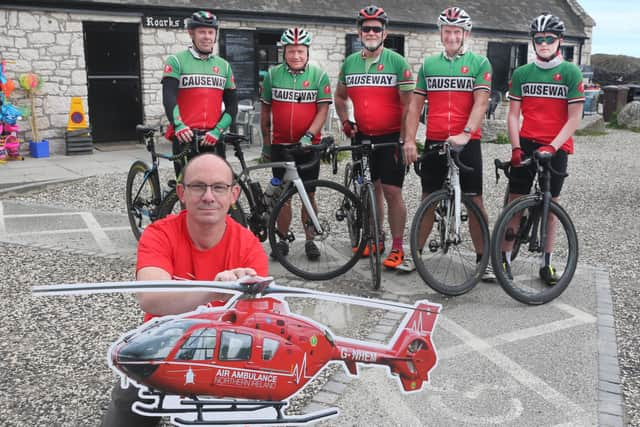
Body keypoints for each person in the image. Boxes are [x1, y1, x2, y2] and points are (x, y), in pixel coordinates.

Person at [101, 153, 269, 426]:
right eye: (198, 186)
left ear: (233, 194)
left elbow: (255, 325)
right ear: (181, 193)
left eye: (218, 187)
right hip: (162, 347)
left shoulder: (248, 246)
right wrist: (214, 292)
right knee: (127, 404)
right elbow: (150, 299)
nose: (208, 196)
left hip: (221, 354)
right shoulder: (159, 234)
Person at [403, 6, 494, 280]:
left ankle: (484, 258)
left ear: (465, 33)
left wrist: (466, 132)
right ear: (441, 33)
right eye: (447, 31)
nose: (452, 36)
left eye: (457, 31)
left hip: (468, 142)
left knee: (474, 200)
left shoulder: (480, 64)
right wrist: (409, 140)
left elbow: (481, 102)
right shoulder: (430, 65)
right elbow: (415, 106)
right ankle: (415, 255)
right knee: (428, 198)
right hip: (436, 140)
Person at [502, 12, 584, 284]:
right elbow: (513, 114)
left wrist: (553, 145)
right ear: (533, 41)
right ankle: (504, 258)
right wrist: (515, 147)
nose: (544, 43)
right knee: (515, 201)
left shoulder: (571, 72)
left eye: (549, 39)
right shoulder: (523, 73)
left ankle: (546, 263)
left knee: (551, 206)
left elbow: (574, 118)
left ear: (559, 41)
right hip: (526, 142)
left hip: (557, 146)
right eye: (539, 39)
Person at [334, 5, 414, 270]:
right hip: (362, 137)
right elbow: (339, 96)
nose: (371, 32)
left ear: (384, 32)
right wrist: (346, 121)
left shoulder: (396, 62)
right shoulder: (350, 63)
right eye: (366, 28)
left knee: (392, 191)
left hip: (390, 138)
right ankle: (375, 238)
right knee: (371, 190)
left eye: (376, 29)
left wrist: (405, 139)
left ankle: (398, 246)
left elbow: (409, 106)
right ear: (359, 32)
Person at [260, 27, 332, 260]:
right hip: (281, 144)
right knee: (283, 197)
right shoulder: (272, 76)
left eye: (300, 51)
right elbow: (265, 111)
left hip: (307, 147)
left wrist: (310, 135)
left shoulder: (319, 76)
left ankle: (310, 241)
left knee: (308, 195)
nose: (296, 56)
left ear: (307, 52)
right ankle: (282, 239)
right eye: (291, 51)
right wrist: (266, 144)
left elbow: (323, 110)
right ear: (284, 52)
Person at [162, 10, 238, 178]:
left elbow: (232, 105)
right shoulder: (176, 61)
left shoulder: (224, 66)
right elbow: (169, 98)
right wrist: (179, 126)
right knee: (187, 191)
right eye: (201, 32)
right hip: (185, 137)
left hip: (213, 137)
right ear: (191, 33)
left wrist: (218, 131)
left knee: (218, 188)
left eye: (211, 32)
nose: (207, 36)